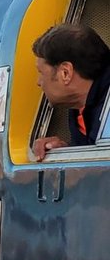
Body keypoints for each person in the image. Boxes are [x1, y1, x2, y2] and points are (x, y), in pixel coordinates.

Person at [32, 23, 110, 160]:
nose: (38, 82)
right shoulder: (79, 111)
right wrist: (67, 152)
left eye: (41, 73)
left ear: (65, 73)